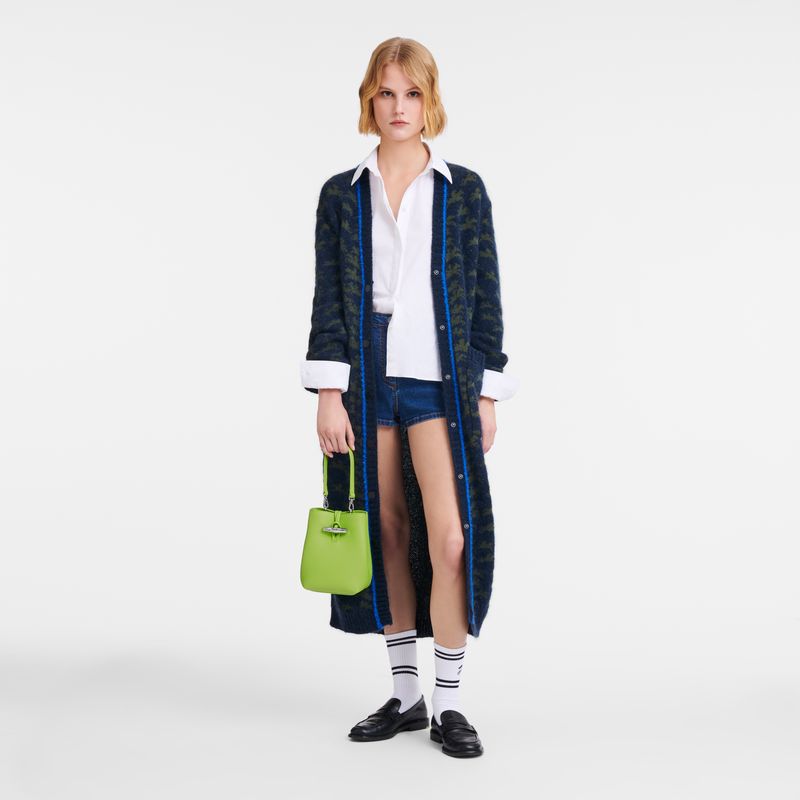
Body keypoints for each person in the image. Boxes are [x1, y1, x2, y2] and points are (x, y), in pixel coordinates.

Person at [300, 37, 519, 758]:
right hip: (367, 381)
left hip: (439, 380)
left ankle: (449, 704)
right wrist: (329, 391)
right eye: (387, 93)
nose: (399, 107)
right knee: (386, 532)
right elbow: (329, 299)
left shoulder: (464, 190)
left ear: (431, 101)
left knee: (451, 538)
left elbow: (485, 297)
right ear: (371, 99)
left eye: (413, 93)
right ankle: (405, 695)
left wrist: (486, 393)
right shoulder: (342, 193)